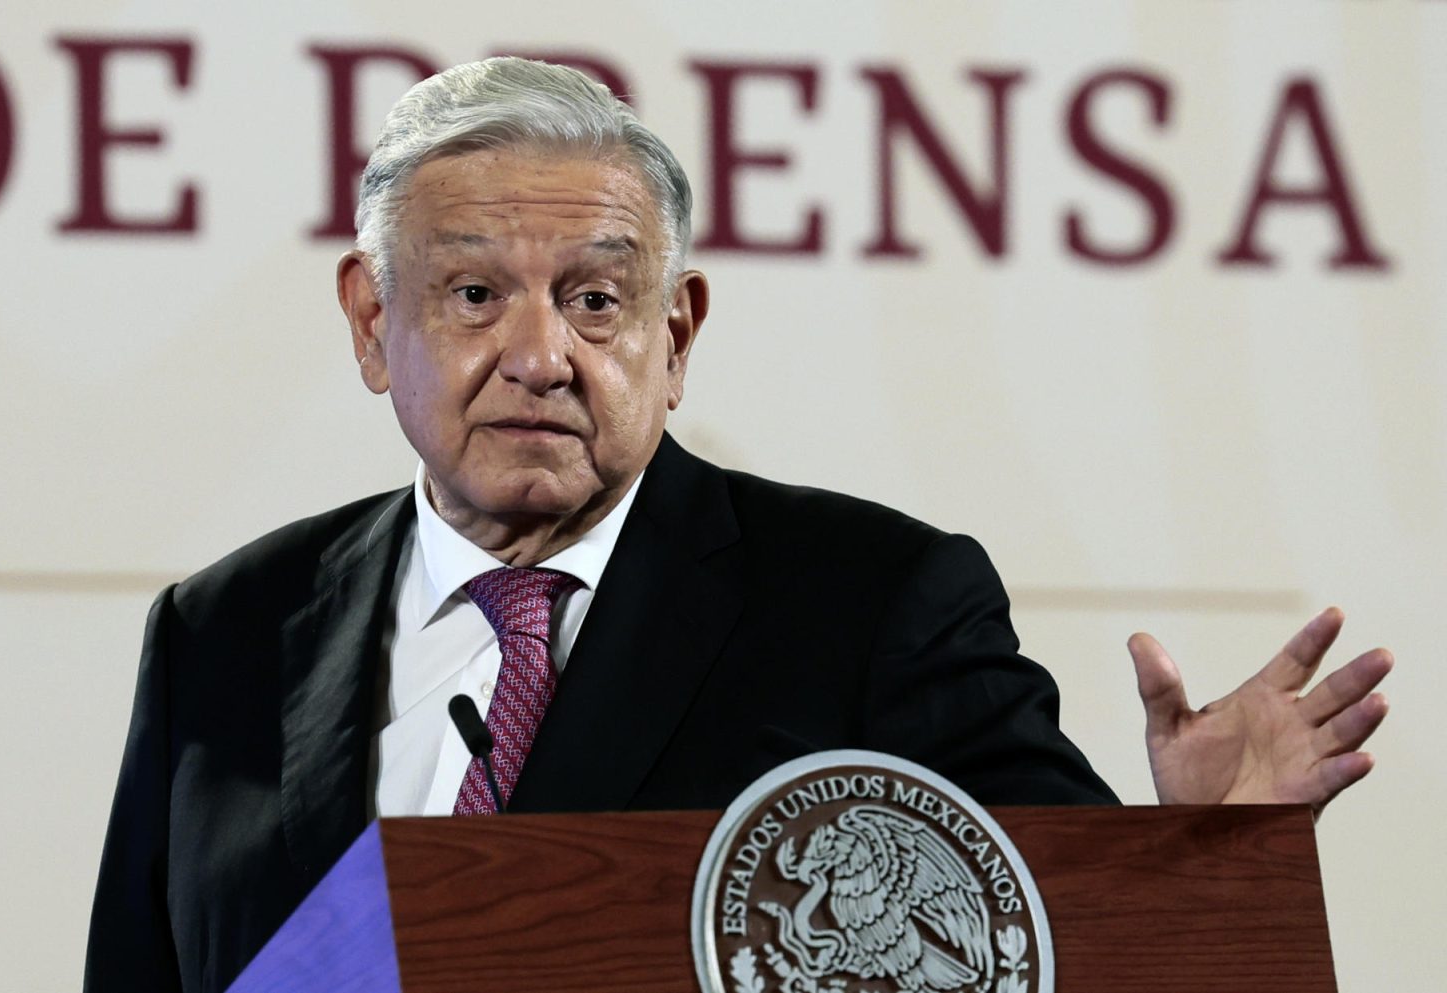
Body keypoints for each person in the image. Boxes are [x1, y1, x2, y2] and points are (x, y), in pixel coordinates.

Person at [83, 57, 1393, 992]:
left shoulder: (873, 603)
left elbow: (1037, 947)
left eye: (597, 300)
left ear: (677, 331)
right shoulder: (228, 628)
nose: (539, 354)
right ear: (375, 321)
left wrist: (1197, 862)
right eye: (475, 292)